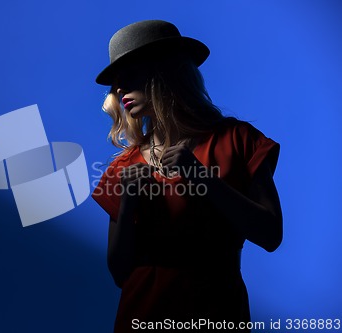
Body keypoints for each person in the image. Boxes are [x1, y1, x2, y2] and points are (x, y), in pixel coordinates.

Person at [92, 20, 283, 332]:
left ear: (165, 70)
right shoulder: (122, 168)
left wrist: (200, 176)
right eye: (115, 81)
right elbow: (119, 273)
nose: (119, 88)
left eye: (129, 73)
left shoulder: (238, 140)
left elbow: (271, 234)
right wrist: (128, 203)